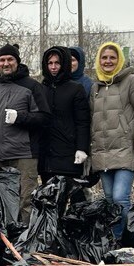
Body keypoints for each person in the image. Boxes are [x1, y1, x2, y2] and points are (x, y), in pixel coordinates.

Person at [0, 44, 50, 222]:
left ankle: (23, 243)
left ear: (17, 62)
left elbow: (45, 118)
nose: (6, 63)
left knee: (25, 201)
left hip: (24, 156)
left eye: (10, 59)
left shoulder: (32, 86)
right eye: (2, 60)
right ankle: (1, 242)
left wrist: (21, 117)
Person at [88, 41, 134, 238]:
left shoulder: (132, 82)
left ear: (120, 60)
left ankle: (121, 239)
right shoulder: (95, 87)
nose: (108, 61)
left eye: (112, 58)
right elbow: (92, 120)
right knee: (108, 199)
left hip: (125, 150)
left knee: (120, 198)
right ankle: (112, 240)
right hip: (102, 152)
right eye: (104, 58)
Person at [39, 45, 92, 182]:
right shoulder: (41, 88)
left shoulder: (75, 89)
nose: (53, 67)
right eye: (50, 63)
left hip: (68, 154)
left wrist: (82, 148)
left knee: (70, 196)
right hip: (46, 155)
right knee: (48, 199)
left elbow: (83, 122)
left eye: (57, 63)